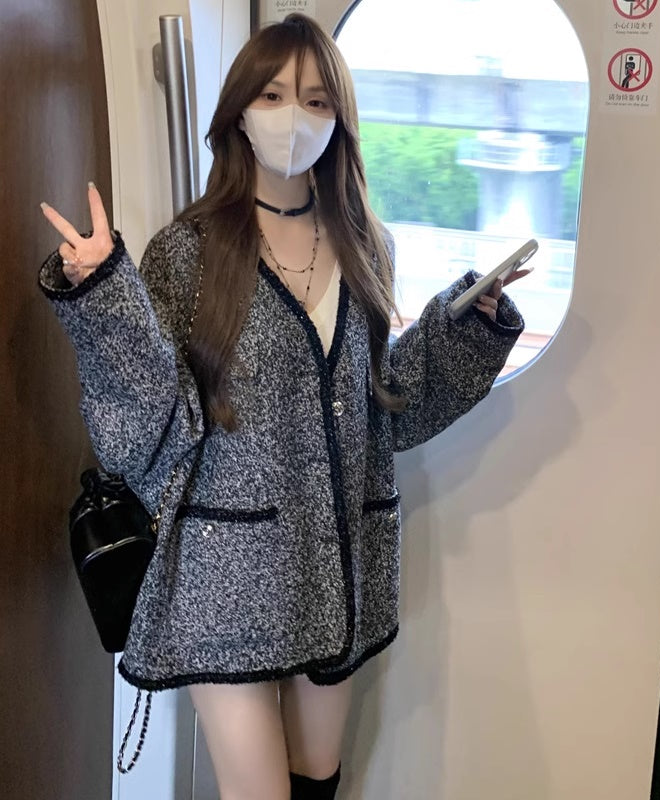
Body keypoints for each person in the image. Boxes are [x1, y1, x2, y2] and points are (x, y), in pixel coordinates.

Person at [38, 13, 527, 800]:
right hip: (224, 572)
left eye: (316, 101)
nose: (293, 117)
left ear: (339, 120)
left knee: (316, 781)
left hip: (335, 566)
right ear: (239, 110)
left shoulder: (368, 245)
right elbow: (148, 427)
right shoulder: (189, 252)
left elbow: (385, 407)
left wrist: (467, 325)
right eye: (271, 95)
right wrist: (103, 296)